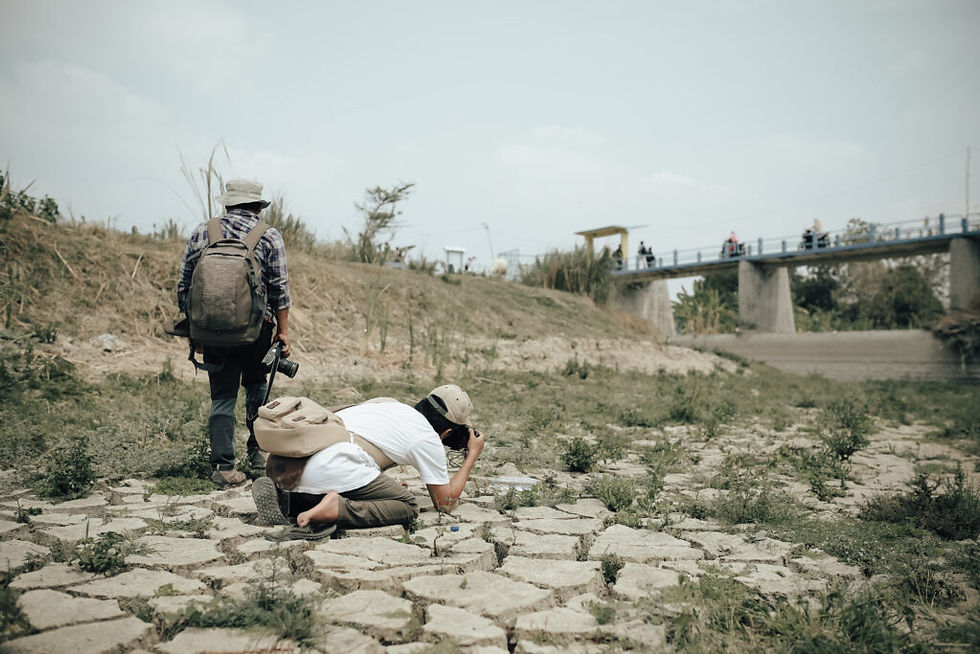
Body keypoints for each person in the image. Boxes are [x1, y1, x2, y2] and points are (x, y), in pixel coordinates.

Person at [251, 384, 485, 538]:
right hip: (335, 463)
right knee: (407, 506)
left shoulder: (386, 406)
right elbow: (445, 503)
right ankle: (336, 509)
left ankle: (289, 501)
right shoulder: (427, 437)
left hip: (289, 465)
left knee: (346, 473)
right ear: (447, 432)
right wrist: (472, 455)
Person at [177, 179, 292, 488]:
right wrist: (283, 333)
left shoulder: (203, 231)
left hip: (214, 330)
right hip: (257, 330)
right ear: (258, 207)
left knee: (223, 397)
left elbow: (185, 284)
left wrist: (193, 328)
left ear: (227, 204)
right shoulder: (268, 235)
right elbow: (280, 289)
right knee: (257, 391)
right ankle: (257, 456)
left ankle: (223, 466)